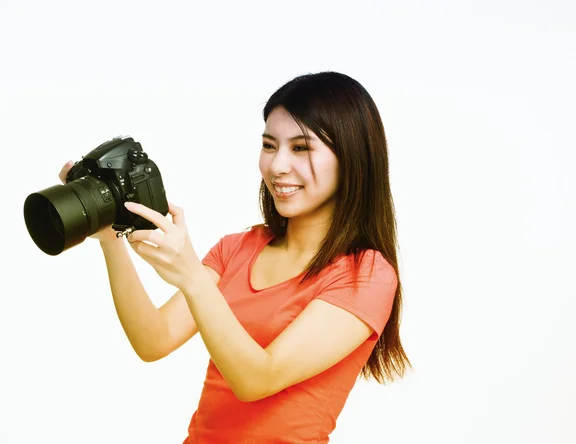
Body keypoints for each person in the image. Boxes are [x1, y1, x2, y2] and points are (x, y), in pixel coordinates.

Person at [58, 71, 411, 443]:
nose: (277, 167)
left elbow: (258, 379)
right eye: (270, 145)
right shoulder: (239, 248)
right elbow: (154, 340)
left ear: (353, 156)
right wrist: (110, 238)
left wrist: (192, 277)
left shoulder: (366, 274)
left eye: (301, 148)